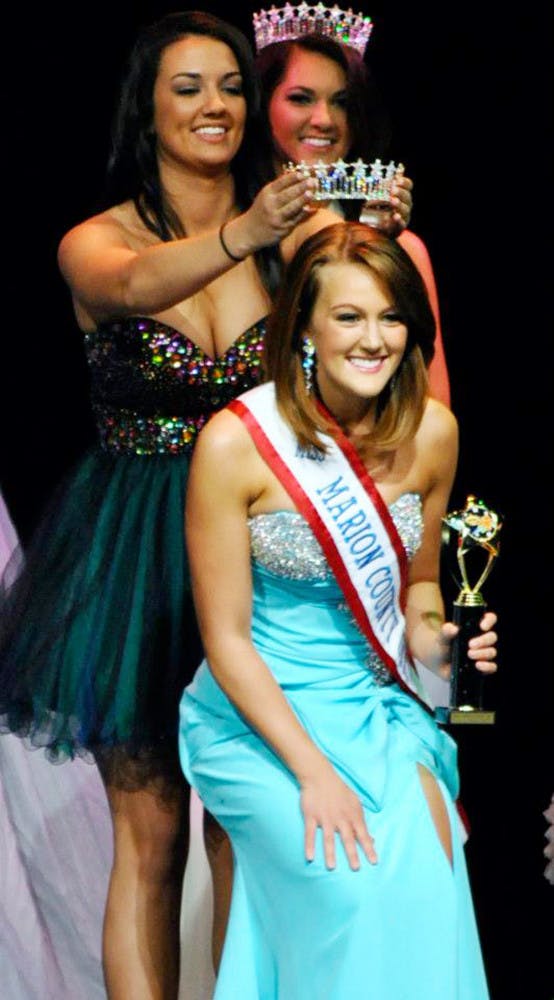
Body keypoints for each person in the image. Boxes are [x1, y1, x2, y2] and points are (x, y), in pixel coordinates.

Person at [0, 11, 340, 999]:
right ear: (146, 109)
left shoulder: (298, 239)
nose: (215, 106)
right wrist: (245, 231)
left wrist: (372, 239)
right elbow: (138, 284)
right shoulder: (93, 242)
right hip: (134, 557)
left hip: (259, 547)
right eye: (188, 87)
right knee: (149, 834)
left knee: (244, 824)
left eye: (232, 85)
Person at [179, 221, 497, 998]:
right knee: (347, 887)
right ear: (306, 328)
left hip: (371, 705)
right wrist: (312, 772)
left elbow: (418, 588)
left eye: (391, 317)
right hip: (256, 717)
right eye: (350, 316)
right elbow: (225, 640)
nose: (375, 338)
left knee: (430, 873)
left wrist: (438, 649)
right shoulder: (235, 444)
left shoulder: (431, 432)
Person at [254, 15, 451, 409]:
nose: (324, 120)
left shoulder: (402, 247)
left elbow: (434, 408)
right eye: (300, 98)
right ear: (262, 103)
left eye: (341, 102)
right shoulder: (227, 237)